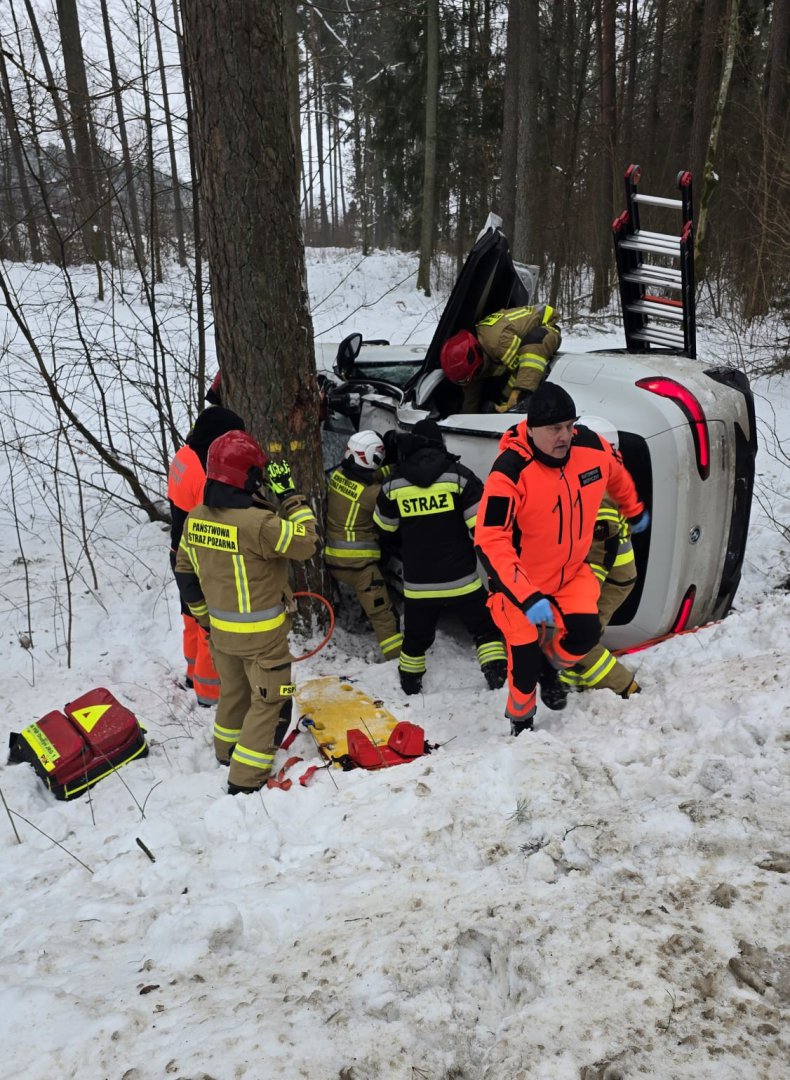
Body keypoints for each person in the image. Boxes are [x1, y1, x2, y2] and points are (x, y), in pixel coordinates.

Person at [473, 383, 649, 735]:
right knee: (523, 665)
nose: (565, 436)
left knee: (584, 633)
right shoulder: (510, 472)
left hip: (569, 575)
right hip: (519, 587)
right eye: (555, 428)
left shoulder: (590, 447)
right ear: (532, 428)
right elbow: (490, 540)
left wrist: (632, 508)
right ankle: (521, 721)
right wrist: (527, 595)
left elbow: (615, 474)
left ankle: (550, 667)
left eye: (569, 425)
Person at [175, 431, 318, 794]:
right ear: (248, 476)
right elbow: (306, 543)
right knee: (270, 701)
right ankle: (244, 779)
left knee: (235, 694)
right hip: (263, 639)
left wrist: (204, 618)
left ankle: (226, 752)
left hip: (221, 635)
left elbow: (185, 573)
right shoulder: (259, 525)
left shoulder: (196, 518)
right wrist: (290, 496)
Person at [373, 418, 508, 695]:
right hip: (462, 579)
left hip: (418, 583)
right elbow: (481, 527)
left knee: (415, 638)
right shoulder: (460, 476)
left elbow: (384, 528)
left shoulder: (393, 484)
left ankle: (410, 685)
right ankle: (496, 676)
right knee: (485, 628)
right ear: (440, 444)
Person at [555, 417, 640, 702]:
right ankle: (570, 679)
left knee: (581, 637)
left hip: (608, 577)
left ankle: (626, 687)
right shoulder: (608, 473)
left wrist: (585, 588)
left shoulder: (598, 486)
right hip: (615, 573)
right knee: (580, 633)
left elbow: (602, 544)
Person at [167, 406, 246, 705]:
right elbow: (210, 521)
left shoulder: (184, 454)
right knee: (207, 626)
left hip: (178, 550)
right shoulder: (204, 473)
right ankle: (209, 693)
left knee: (190, 616)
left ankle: (191, 674)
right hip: (198, 557)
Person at [324, 430, 403, 661]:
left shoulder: (338, 475)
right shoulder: (371, 494)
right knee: (383, 614)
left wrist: (393, 468)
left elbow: (372, 475)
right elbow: (388, 495)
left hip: (333, 559)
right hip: (359, 567)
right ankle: (395, 658)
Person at [440, 304, 561, 414]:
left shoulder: (499, 343)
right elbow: (471, 397)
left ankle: (522, 400)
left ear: (475, 360)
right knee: (501, 392)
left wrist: (513, 398)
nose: (466, 382)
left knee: (531, 350)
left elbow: (522, 368)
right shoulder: (469, 365)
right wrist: (465, 418)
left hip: (546, 324)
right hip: (511, 339)